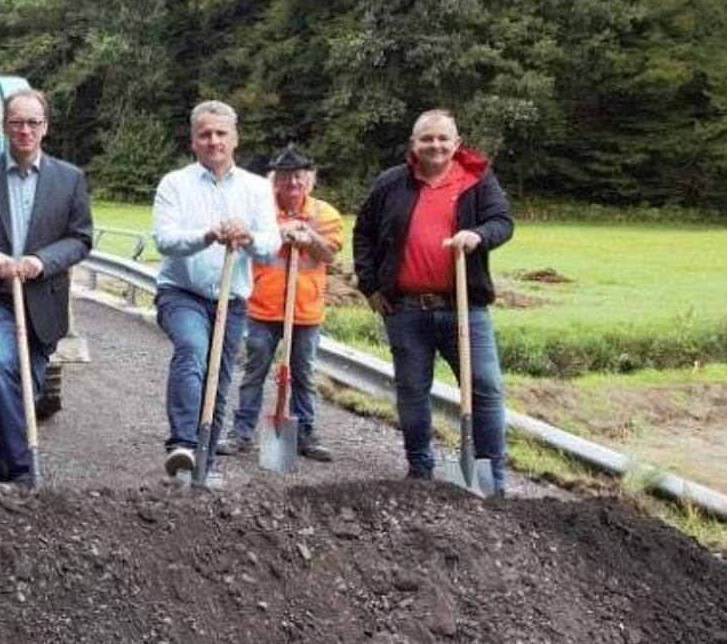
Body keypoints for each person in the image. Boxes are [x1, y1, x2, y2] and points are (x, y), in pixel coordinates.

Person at [353, 109, 514, 490]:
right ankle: (420, 471)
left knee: (485, 389)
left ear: (456, 143)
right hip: (406, 309)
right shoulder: (392, 182)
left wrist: (478, 235)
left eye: (443, 138)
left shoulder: (476, 180)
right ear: (414, 144)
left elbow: (503, 222)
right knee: (411, 390)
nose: (435, 145)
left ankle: (489, 479)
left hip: (464, 308)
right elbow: (364, 232)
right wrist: (370, 284)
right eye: (427, 139)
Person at [0, 89, 93, 487]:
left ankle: (2, 468)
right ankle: (27, 468)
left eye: (33, 122)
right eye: (16, 122)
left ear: (45, 127)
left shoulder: (69, 179)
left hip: (43, 300)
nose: (24, 130)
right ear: (4, 126)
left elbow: (81, 239)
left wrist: (42, 261)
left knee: (29, 383)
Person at [151, 101, 281, 480]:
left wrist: (248, 236)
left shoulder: (256, 188)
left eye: (221, 133)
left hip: (232, 297)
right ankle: (183, 444)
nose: (213, 140)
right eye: (205, 134)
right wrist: (208, 234)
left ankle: (204, 465)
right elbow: (165, 239)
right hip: (182, 292)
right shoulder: (174, 184)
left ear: (234, 138)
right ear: (193, 140)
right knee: (192, 349)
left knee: (218, 377)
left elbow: (271, 244)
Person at [219, 145, 344, 462]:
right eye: (286, 177)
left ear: (310, 179)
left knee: (303, 373)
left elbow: (329, 254)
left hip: (305, 311)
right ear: (273, 180)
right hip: (262, 307)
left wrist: (309, 238)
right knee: (254, 371)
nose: (293, 184)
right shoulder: (260, 211)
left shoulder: (324, 214)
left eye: (299, 177)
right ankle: (242, 432)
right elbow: (247, 242)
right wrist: (280, 233)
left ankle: (305, 432)